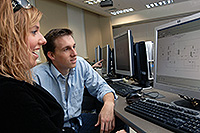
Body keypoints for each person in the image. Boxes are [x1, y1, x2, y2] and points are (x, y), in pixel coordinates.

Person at [32, 28, 129, 133]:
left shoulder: (80, 64)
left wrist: (108, 104)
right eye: (66, 49)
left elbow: (102, 87)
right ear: (51, 55)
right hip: (55, 127)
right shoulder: (36, 76)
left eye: (74, 47)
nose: (74, 53)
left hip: (77, 122)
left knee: (120, 121)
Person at [0, 0, 64, 132]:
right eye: (34, 31)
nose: (43, 40)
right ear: (9, 38)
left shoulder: (15, 81)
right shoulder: (9, 93)